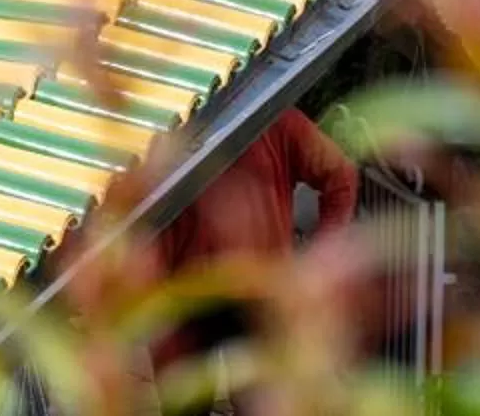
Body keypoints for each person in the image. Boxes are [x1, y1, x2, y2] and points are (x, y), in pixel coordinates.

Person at [152, 107, 359, 413]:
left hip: (260, 295)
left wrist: (322, 255)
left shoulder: (273, 117)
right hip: (184, 299)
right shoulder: (163, 128)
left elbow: (340, 176)